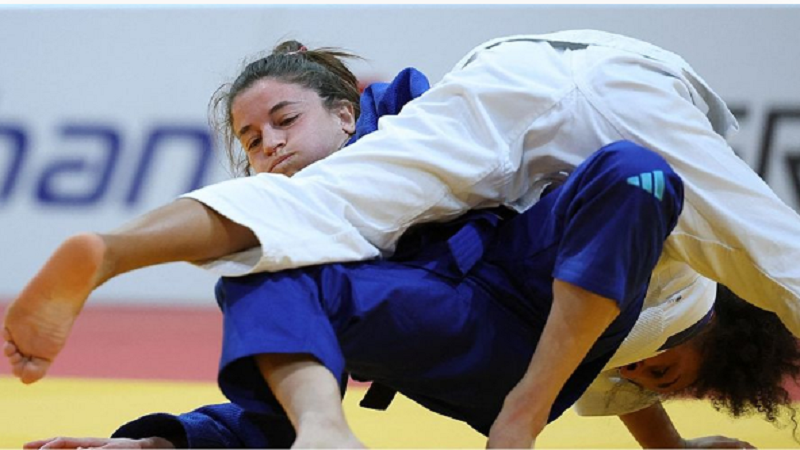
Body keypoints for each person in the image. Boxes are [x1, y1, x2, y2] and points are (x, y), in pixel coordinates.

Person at [5, 31, 800, 446]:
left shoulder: (676, 307)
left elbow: (630, 368)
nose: (269, 144)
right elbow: (631, 365)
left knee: (294, 220)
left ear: (346, 110)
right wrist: (172, 444)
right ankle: (114, 258)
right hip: (561, 82)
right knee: (275, 248)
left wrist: (552, 422)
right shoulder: (396, 140)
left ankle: (115, 251)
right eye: (251, 138)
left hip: (547, 124)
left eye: (283, 121)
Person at [27, 284, 797, 449]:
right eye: (663, 369)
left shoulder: (616, 341)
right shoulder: (658, 283)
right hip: (419, 301)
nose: (641, 375)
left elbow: (620, 366)